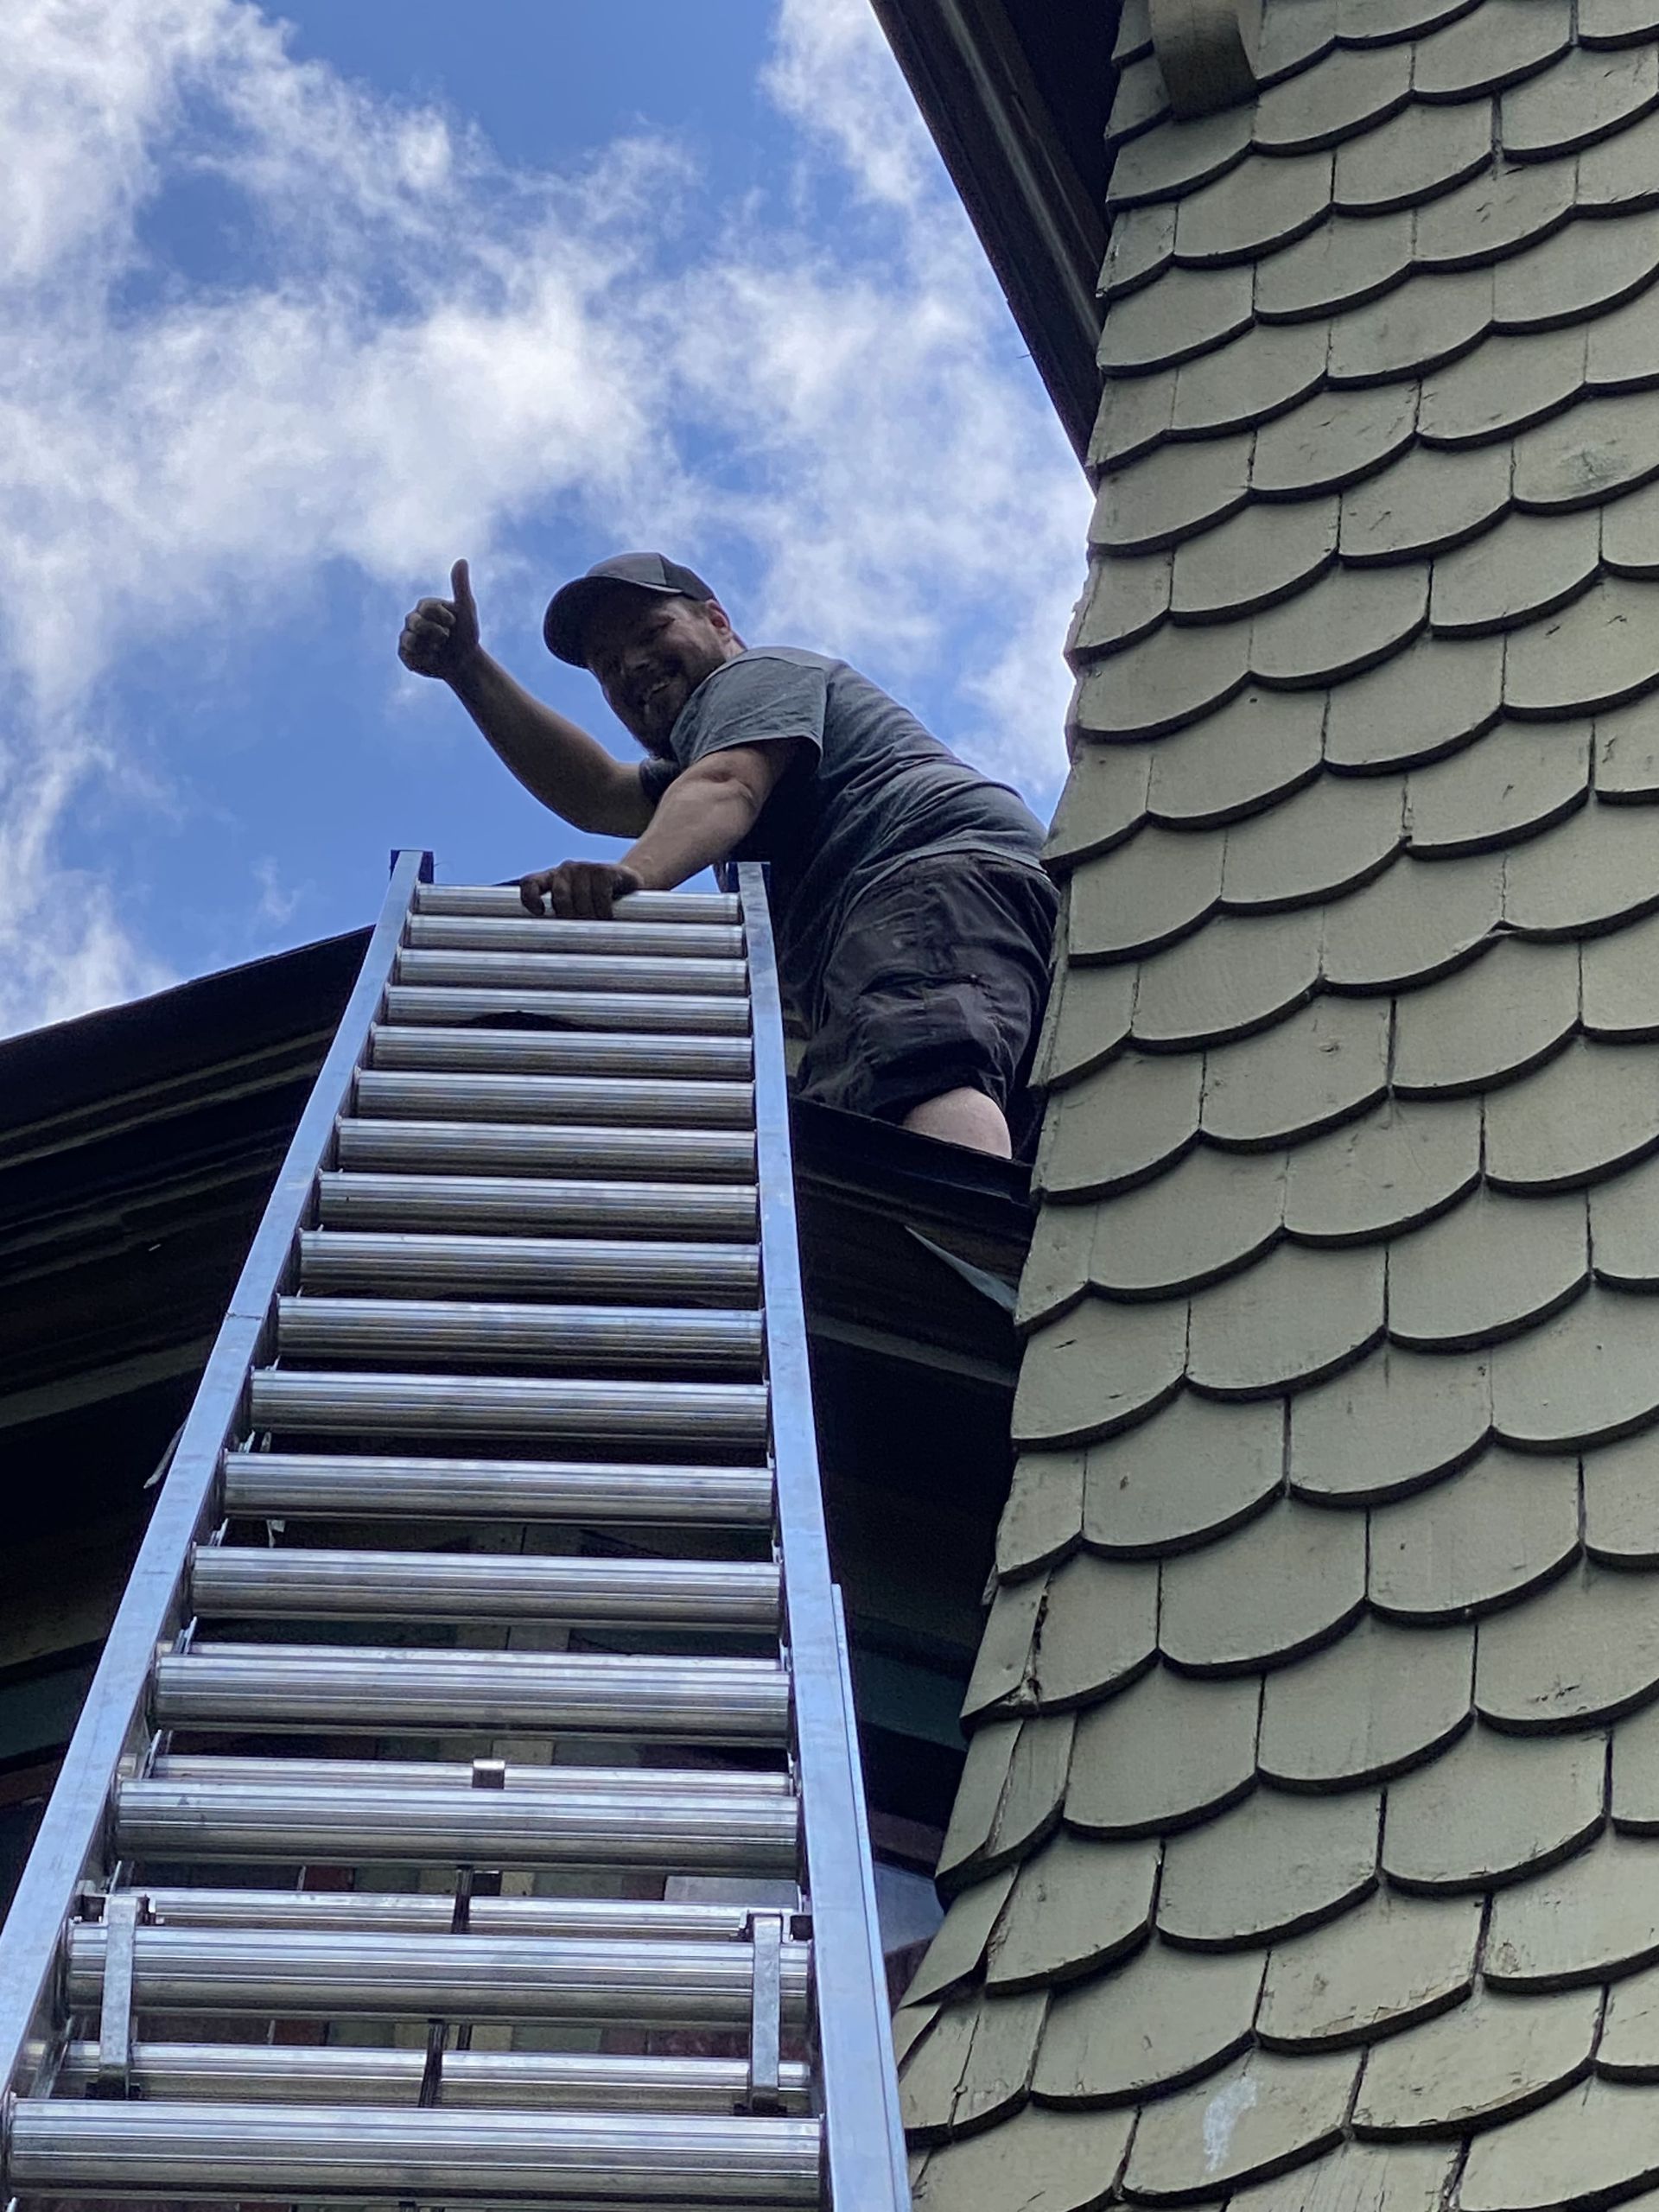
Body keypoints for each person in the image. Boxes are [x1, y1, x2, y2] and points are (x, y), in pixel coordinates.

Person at [397, 552, 1057, 1158]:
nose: (629, 664)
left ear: (717, 621)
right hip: (960, 906)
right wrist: (468, 670)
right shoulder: (703, 754)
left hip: (924, 882)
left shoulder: (755, 677)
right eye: (605, 662)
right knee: (938, 1107)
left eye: (650, 632)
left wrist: (637, 874)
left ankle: (945, 1268)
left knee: (914, 1074)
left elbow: (727, 784)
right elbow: (597, 792)